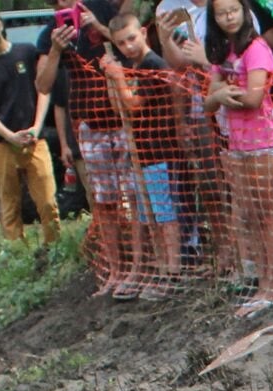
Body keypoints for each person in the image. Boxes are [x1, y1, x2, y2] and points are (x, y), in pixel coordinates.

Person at [35, 3, 134, 294]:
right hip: (89, 123)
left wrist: (100, 28)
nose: (63, 6)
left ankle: (141, 265)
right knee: (104, 202)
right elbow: (43, 85)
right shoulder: (51, 32)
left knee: (135, 197)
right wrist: (56, 49)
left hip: (126, 117)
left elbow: (134, 48)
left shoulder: (103, 8)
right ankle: (116, 268)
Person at [205, 0, 273, 311]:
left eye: (233, 10)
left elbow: (254, 97)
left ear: (244, 12)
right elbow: (208, 102)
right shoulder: (222, 53)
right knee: (252, 216)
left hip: (264, 143)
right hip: (237, 145)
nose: (228, 17)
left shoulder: (256, 48)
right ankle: (263, 283)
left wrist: (223, 94)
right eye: (221, 13)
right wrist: (219, 94)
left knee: (270, 215)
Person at [100, 12, 186, 295]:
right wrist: (113, 78)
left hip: (160, 150)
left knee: (164, 212)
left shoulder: (152, 65)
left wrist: (118, 78)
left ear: (144, 33)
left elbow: (134, 104)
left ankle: (173, 271)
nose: (128, 46)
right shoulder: (132, 67)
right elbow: (119, 107)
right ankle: (160, 267)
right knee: (150, 213)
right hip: (142, 152)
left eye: (131, 38)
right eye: (121, 43)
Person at [0, 7, 60, 244]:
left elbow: (43, 90)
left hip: (35, 138)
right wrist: (9, 135)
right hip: (3, 143)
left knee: (47, 201)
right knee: (9, 205)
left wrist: (37, 127)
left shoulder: (26, 52)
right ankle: (17, 252)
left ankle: (54, 247)